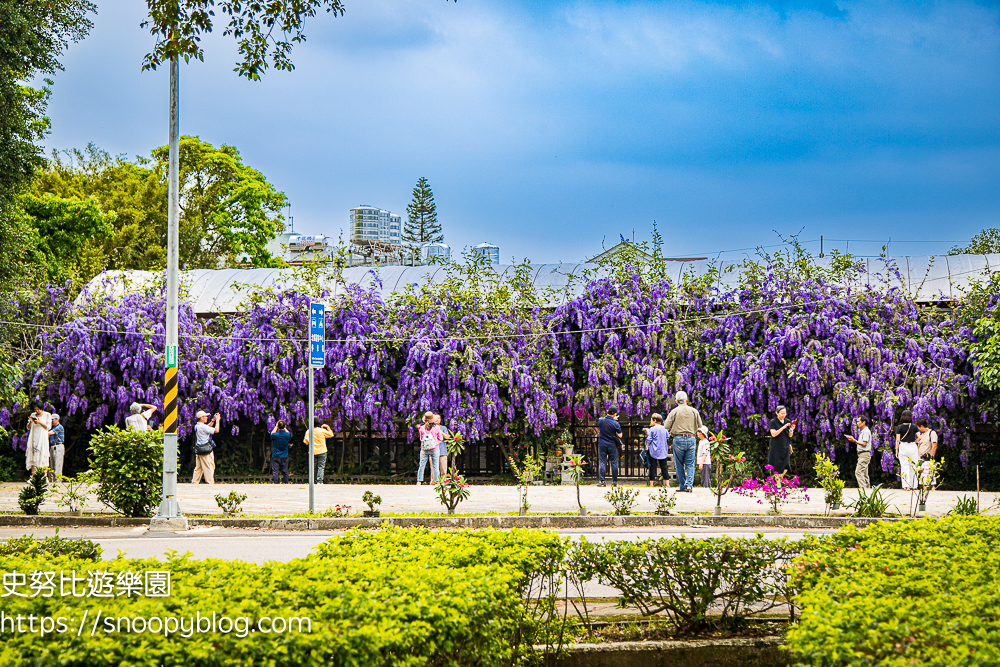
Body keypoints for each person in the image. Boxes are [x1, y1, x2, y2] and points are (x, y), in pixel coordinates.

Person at [665, 391, 702, 492]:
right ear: (687, 400)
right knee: (690, 464)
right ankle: (689, 485)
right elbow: (700, 426)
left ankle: (682, 486)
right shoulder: (694, 411)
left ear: (676, 401)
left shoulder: (674, 411)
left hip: (678, 438)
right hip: (691, 438)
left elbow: (666, 426)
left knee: (679, 464)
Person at [192, 410, 220, 485]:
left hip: (199, 449)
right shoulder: (202, 427)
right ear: (201, 418)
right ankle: (210, 482)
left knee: (199, 468)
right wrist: (217, 421)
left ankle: (194, 482)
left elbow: (207, 427)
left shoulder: (197, 426)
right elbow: (216, 430)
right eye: (205, 416)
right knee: (209, 467)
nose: (207, 417)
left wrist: (213, 420)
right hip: (205, 450)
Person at [596, 407, 622, 488]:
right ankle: (614, 482)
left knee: (602, 462)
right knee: (614, 463)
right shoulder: (616, 424)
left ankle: (602, 481)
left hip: (602, 445)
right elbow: (620, 435)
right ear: (615, 414)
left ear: (607, 411)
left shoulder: (600, 420)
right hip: (612, 445)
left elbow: (604, 421)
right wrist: (614, 420)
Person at [845, 415, 873, 489]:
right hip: (862, 455)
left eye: (858, 421)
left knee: (858, 472)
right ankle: (867, 490)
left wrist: (854, 441)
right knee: (864, 474)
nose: (857, 423)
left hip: (864, 454)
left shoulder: (866, 431)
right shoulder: (863, 431)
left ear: (864, 422)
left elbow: (864, 444)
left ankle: (863, 489)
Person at [767, 406, 796, 478]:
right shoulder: (773, 422)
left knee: (786, 465)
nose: (784, 415)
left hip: (785, 445)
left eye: (785, 413)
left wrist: (791, 429)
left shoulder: (787, 421)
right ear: (777, 413)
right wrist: (783, 427)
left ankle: (779, 479)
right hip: (776, 446)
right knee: (776, 465)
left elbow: (790, 435)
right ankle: (778, 483)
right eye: (782, 413)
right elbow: (773, 434)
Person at [895, 410, 919, 491]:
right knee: (914, 466)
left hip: (903, 446)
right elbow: (919, 437)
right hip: (912, 446)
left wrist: (896, 450)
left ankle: (907, 486)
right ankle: (914, 485)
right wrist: (914, 442)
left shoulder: (899, 427)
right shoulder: (914, 426)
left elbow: (897, 440)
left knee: (904, 466)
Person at [304, 418, 334, 484]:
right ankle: (319, 481)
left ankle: (313, 481)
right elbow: (331, 434)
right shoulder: (322, 430)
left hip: (312, 452)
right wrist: (328, 427)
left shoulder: (308, 431)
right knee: (321, 467)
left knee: (313, 467)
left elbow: (306, 442)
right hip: (322, 451)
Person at [25, 402, 51, 476]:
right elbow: (28, 427)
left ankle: (44, 476)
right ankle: (33, 476)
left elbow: (48, 427)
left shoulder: (47, 415)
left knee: (43, 455)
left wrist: (40, 422)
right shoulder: (33, 415)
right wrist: (31, 421)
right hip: (34, 437)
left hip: (42, 438)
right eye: (35, 409)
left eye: (38, 409)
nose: (37, 411)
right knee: (33, 456)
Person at [416, 411, 442, 485]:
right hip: (435, 448)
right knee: (435, 465)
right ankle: (437, 481)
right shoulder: (436, 428)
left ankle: (419, 481)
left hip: (424, 449)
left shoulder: (421, 428)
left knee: (422, 465)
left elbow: (421, 439)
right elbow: (441, 438)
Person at [646, 413, 669, 487]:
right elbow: (667, 437)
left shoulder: (652, 429)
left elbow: (649, 440)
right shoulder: (665, 429)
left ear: (654, 420)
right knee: (664, 467)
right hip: (663, 450)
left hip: (653, 450)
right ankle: (667, 484)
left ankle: (651, 484)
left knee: (652, 467)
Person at [47, 414, 65, 482]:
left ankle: (58, 482)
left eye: (52, 420)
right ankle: (52, 481)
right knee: (52, 465)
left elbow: (48, 433)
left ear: (57, 419)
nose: (51, 421)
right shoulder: (52, 428)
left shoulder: (59, 427)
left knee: (58, 465)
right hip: (52, 446)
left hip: (58, 446)